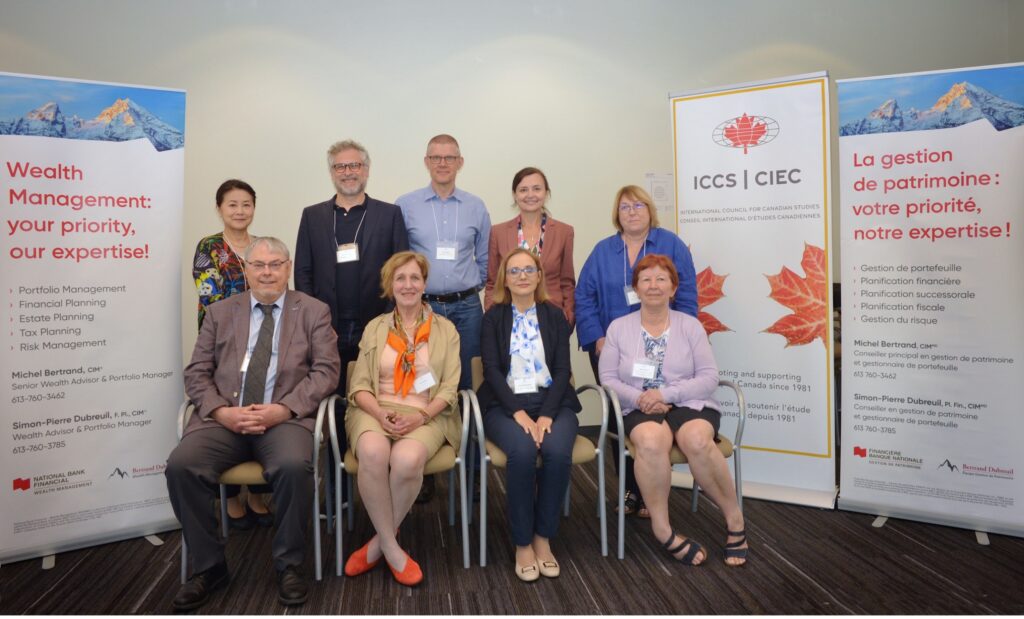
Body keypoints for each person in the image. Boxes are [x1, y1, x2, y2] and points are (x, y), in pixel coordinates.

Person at [167, 237, 341, 610]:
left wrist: (285, 409)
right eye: (259, 265)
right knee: (181, 466)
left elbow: (327, 371)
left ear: (288, 268)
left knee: (294, 467)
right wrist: (219, 411)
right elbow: (197, 372)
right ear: (246, 270)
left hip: (284, 421)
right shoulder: (219, 312)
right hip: (224, 420)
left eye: (275, 264)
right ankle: (210, 566)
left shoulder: (314, 311)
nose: (267, 272)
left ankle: (289, 565)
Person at [599, 254, 747, 567]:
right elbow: (608, 378)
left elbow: (708, 377)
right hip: (638, 404)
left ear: (673, 287)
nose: (653, 286)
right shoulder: (618, 328)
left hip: (689, 402)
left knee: (696, 439)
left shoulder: (690, 326)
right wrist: (641, 399)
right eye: (646, 280)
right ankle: (662, 529)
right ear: (636, 289)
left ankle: (735, 521)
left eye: (661, 279)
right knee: (652, 441)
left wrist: (667, 393)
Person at [295, 139, 409, 498]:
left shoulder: (389, 214)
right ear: (331, 172)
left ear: (366, 169)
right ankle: (337, 489)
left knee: (380, 402)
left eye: (354, 165)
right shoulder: (313, 215)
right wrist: (314, 323)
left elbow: (400, 270)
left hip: (376, 327)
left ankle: (386, 483)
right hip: (326, 328)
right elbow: (304, 272)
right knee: (332, 407)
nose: (348, 172)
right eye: (341, 167)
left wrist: (390, 321)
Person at [576, 184, 698, 519]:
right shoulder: (603, 250)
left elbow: (686, 294)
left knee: (658, 411)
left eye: (638, 205)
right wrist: (596, 337)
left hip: (662, 345)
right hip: (613, 350)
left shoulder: (670, 244)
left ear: (650, 210)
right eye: (625, 206)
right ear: (617, 214)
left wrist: (683, 339)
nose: (632, 211)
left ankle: (655, 489)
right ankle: (630, 490)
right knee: (620, 417)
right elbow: (583, 297)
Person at [343, 251, 462, 587]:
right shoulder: (375, 327)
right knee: (373, 453)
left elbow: (450, 389)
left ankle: (378, 544)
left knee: (407, 459)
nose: (408, 285)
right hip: (374, 408)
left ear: (424, 284)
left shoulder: (446, 330)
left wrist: (420, 417)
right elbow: (359, 386)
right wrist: (380, 414)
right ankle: (394, 550)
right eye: (400, 278)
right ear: (389, 286)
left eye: (414, 278)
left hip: (426, 413)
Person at [478, 248, 581, 581]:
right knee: (521, 454)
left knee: (556, 452)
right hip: (504, 405)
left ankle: (543, 538)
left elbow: (564, 371)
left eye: (528, 270)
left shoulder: (554, 316)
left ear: (539, 276)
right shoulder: (493, 318)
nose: (522, 276)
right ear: (504, 280)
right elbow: (492, 371)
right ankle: (523, 543)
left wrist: (547, 415)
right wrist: (519, 413)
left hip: (553, 402)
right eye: (514, 271)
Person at [397, 133, 489, 502]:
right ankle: (424, 467)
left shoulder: (476, 206)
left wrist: (464, 286)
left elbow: (484, 261)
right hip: (422, 310)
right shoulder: (406, 205)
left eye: (449, 157)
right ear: (426, 161)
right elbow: (399, 259)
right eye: (436, 157)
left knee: (467, 387)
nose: (442, 163)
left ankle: (470, 472)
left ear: (460, 162)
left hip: (466, 307)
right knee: (423, 385)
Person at [191, 179, 273, 530]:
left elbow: (277, 288)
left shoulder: (263, 246)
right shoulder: (209, 247)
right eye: (232, 205)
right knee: (230, 411)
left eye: (246, 204)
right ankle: (233, 498)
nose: (240, 211)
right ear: (219, 208)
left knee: (258, 405)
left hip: (263, 342)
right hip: (223, 343)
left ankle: (255, 494)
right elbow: (212, 297)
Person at [484, 167, 575, 328]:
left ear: (546, 193)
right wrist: (493, 316)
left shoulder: (564, 232)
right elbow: (492, 282)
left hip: (552, 318)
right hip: (508, 318)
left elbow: (567, 282)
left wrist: (568, 315)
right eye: (523, 190)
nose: (530, 195)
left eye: (537, 189)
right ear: (515, 195)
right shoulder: (498, 232)